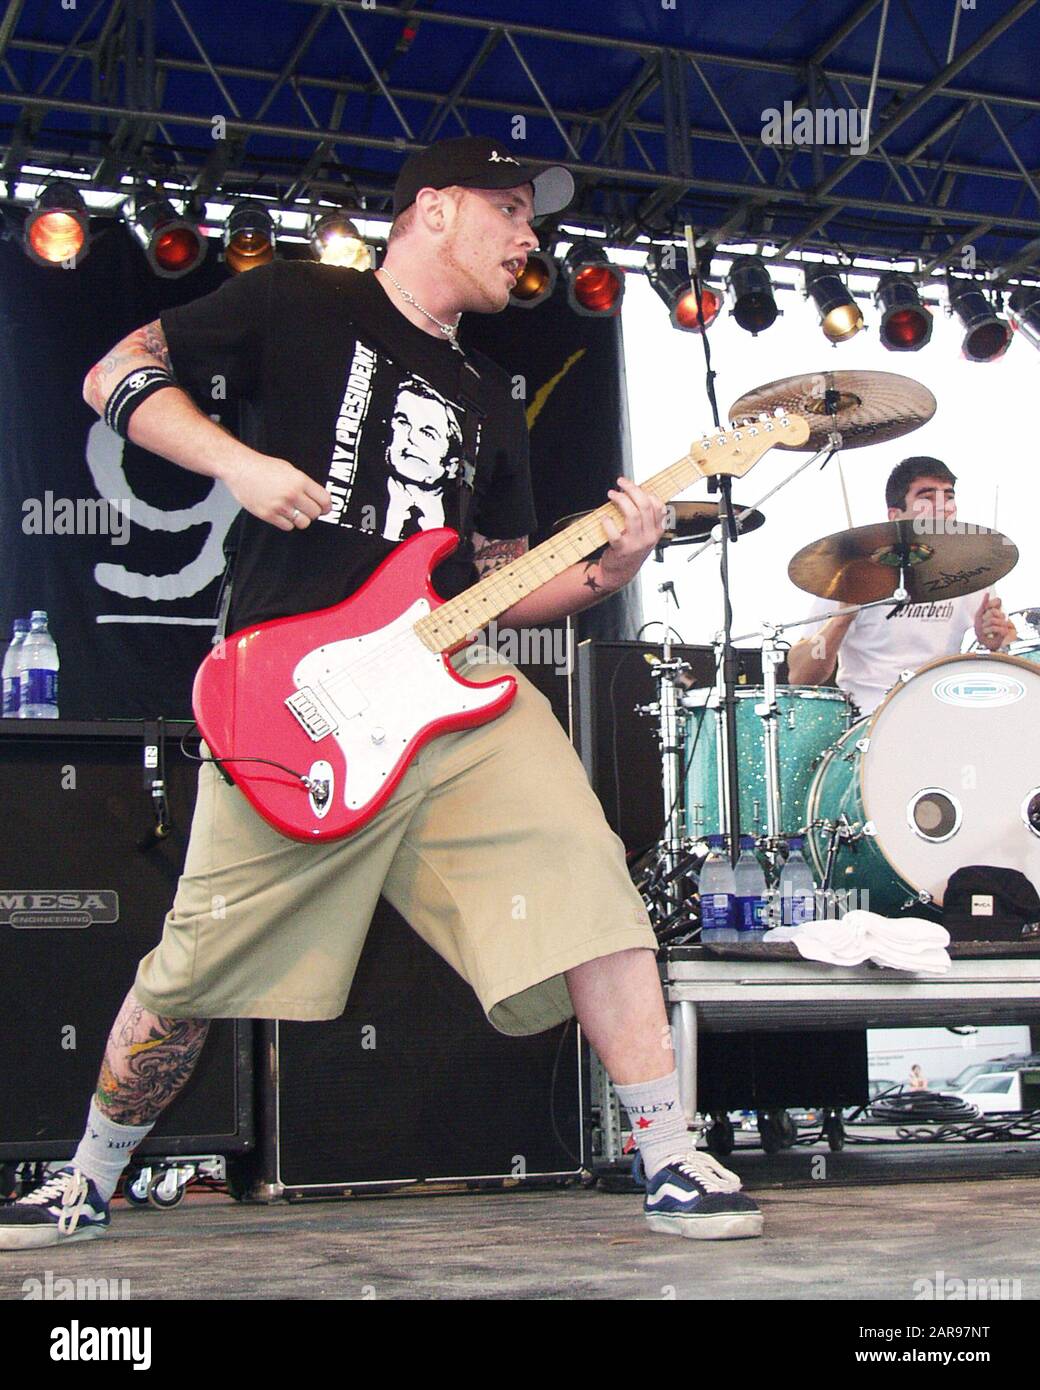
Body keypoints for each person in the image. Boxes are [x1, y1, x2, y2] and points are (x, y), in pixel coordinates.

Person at [0, 136, 762, 1249]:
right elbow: (115, 373)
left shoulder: (490, 397)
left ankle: (667, 1154)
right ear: (435, 209)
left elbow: (503, 586)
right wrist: (238, 464)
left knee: (588, 868)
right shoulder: (303, 301)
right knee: (195, 956)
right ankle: (86, 1176)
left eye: (532, 220)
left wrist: (610, 565)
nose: (528, 239)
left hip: (455, 691)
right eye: (508, 210)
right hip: (295, 697)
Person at [787, 457, 1016, 714]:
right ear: (895, 516)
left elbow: (1008, 653)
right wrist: (841, 620)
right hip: (868, 722)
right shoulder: (853, 570)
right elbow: (800, 675)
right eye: (927, 498)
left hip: (943, 714)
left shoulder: (972, 571)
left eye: (948, 497)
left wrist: (995, 644)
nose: (943, 507)